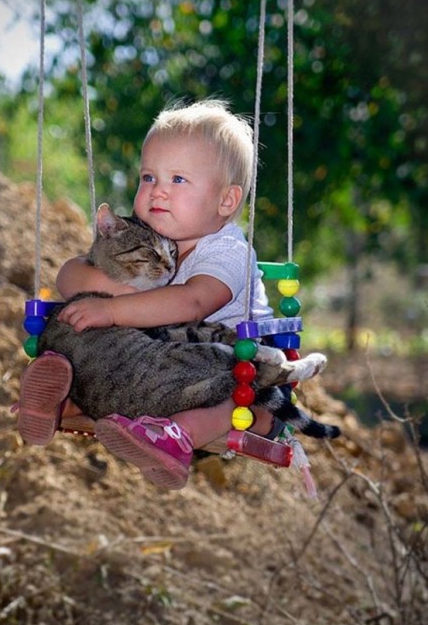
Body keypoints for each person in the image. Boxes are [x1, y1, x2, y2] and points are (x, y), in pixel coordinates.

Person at [18, 98, 280, 489]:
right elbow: (71, 273)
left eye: (177, 180)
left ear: (226, 200)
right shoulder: (152, 237)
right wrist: (109, 292)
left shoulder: (228, 250)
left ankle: (176, 437)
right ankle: (63, 398)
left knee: (234, 398)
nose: (157, 192)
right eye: (148, 177)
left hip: (240, 366)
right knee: (83, 328)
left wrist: (113, 310)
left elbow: (193, 302)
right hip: (162, 366)